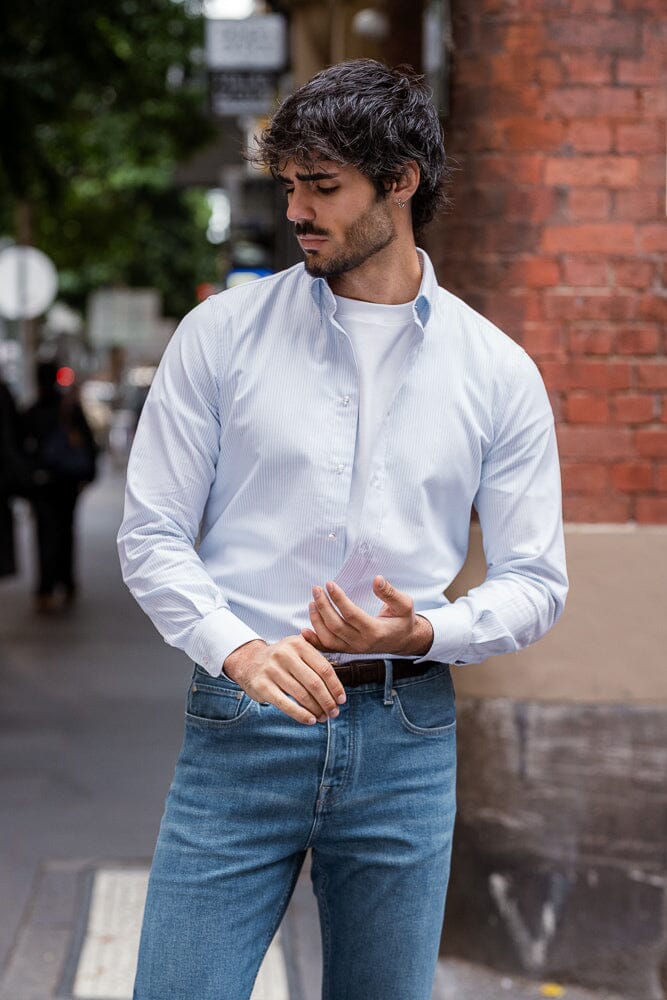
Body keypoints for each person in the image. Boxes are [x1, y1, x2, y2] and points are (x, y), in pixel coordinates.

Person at [118, 59, 568, 1000]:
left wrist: (426, 631)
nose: (296, 213)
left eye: (322, 188)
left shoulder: (496, 371)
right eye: (289, 187)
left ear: (399, 181)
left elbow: (536, 578)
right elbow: (151, 532)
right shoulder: (222, 335)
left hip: (405, 733)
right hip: (243, 721)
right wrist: (237, 650)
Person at [22, 362, 97, 612]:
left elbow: (22, 449)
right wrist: (87, 475)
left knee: (46, 534)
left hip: (44, 484)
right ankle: (65, 582)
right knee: (65, 532)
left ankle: (46, 588)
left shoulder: (33, 411)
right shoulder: (68, 408)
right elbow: (88, 443)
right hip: (66, 484)